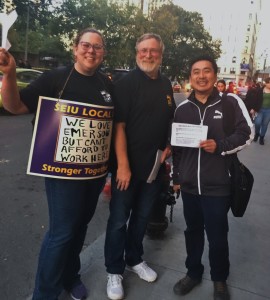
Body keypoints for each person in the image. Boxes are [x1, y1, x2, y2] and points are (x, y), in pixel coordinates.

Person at [0, 28, 113, 300]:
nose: (91, 51)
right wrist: (9, 74)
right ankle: (45, 294)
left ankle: (70, 276)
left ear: (103, 53)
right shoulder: (55, 78)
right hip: (61, 172)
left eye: (97, 47)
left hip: (95, 173)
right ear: (75, 49)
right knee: (62, 231)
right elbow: (15, 107)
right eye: (86, 45)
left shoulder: (107, 85)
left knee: (80, 227)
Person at [172, 55, 252, 300]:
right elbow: (177, 148)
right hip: (189, 187)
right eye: (196, 71)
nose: (201, 75)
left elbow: (247, 133)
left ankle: (219, 279)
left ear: (215, 76)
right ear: (190, 78)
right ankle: (193, 273)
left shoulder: (229, 103)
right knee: (192, 232)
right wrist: (176, 177)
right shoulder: (183, 109)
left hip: (218, 186)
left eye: (207, 71)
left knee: (217, 237)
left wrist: (220, 145)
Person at [104, 33, 175, 300]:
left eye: (153, 51)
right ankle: (114, 269)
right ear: (137, 53)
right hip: (127, 168)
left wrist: (169, 145)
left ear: (161, 54)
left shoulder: (167, 84)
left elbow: (168, 120)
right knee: (118, 220)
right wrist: (122, 165)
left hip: (153, 169)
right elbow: (118, 126)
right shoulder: (126, 83)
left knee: (142, 218)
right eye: (143, 50)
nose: (148, 55)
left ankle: (134, 259)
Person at [246, 77, 270, 145]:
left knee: (265, 124)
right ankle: (257, 133)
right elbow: (255, 99)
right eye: (269, 83)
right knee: (257, 123)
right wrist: (253, 108)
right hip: (260, 109)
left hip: (268, 110)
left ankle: (262, 137)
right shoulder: (260, 90)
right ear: (266, 83)